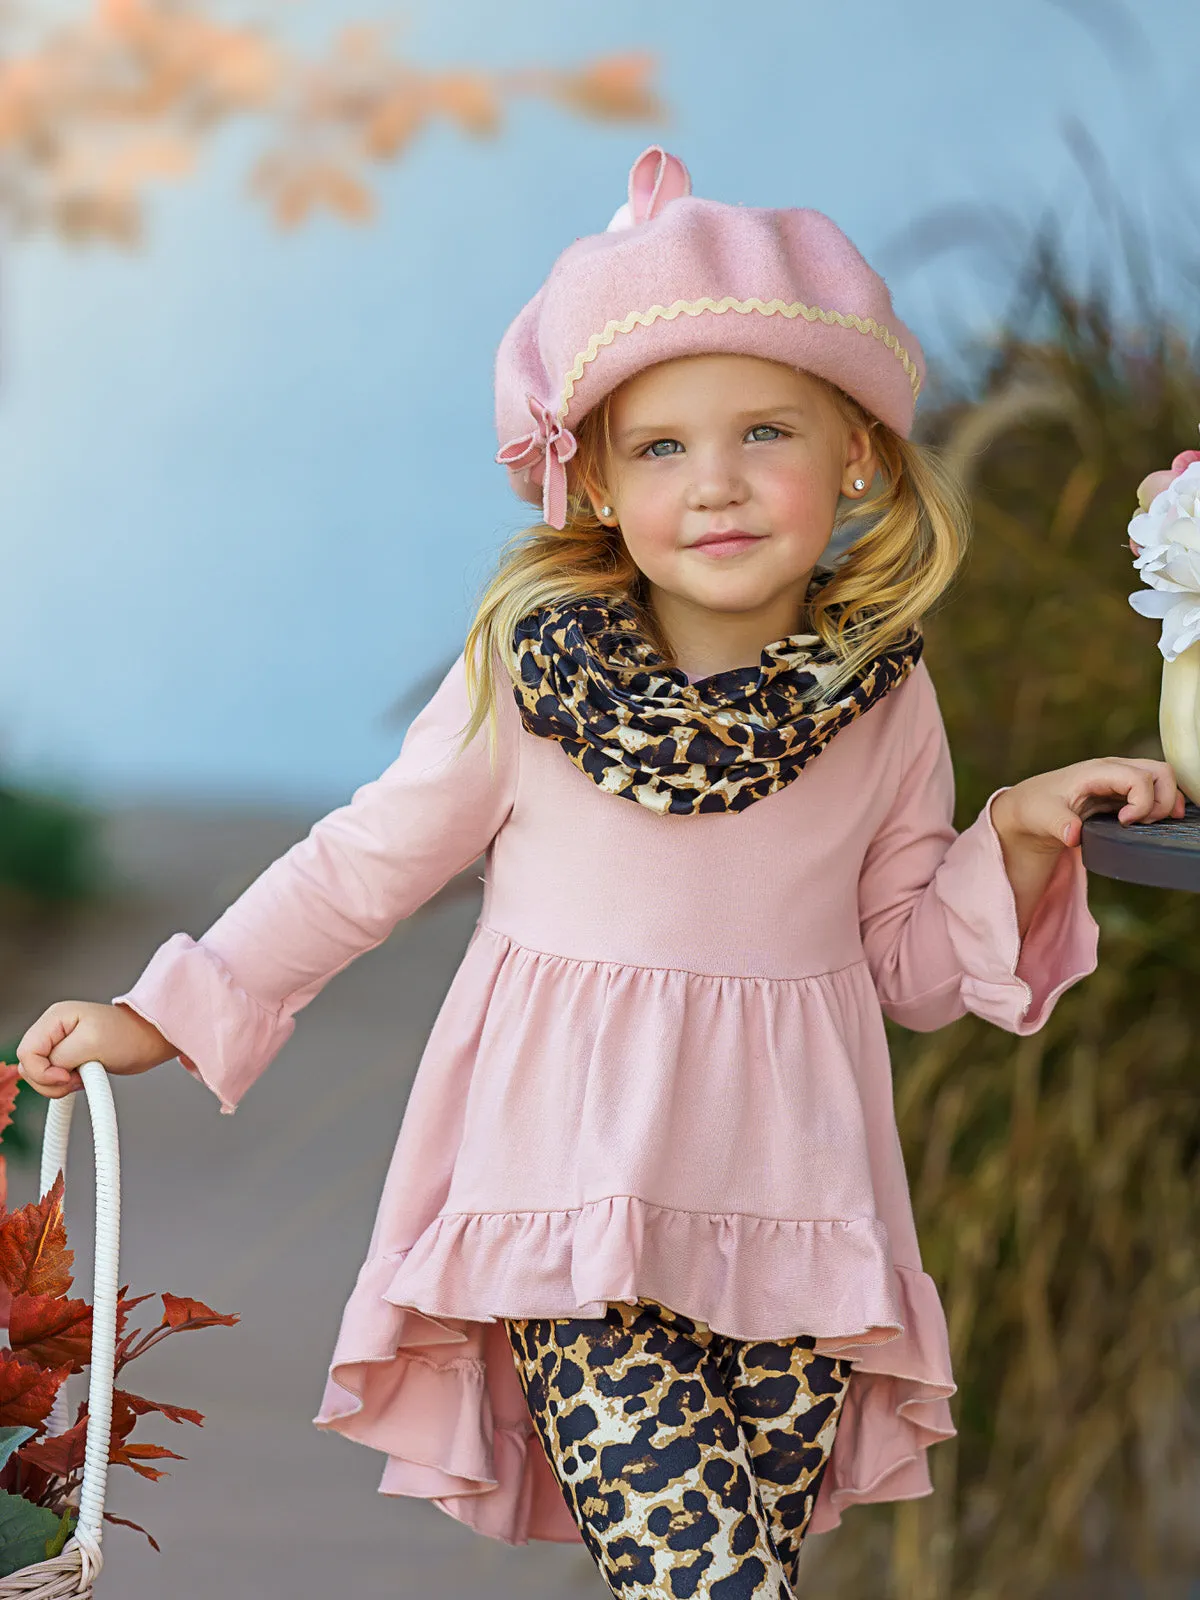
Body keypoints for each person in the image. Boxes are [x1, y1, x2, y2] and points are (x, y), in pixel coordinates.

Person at [16, 146, 1184, 1599]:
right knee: (706, 1579)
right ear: (594, 483)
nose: (718, 485)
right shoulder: (532, 673)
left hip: (794, 1212)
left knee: (740, 1572)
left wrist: (1012, 832)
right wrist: (173, 1011)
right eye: (662, 447)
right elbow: (365, 864)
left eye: (766, 431)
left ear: (861, 454)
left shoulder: (882, 692)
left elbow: (910, 967)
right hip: (572, 1198)